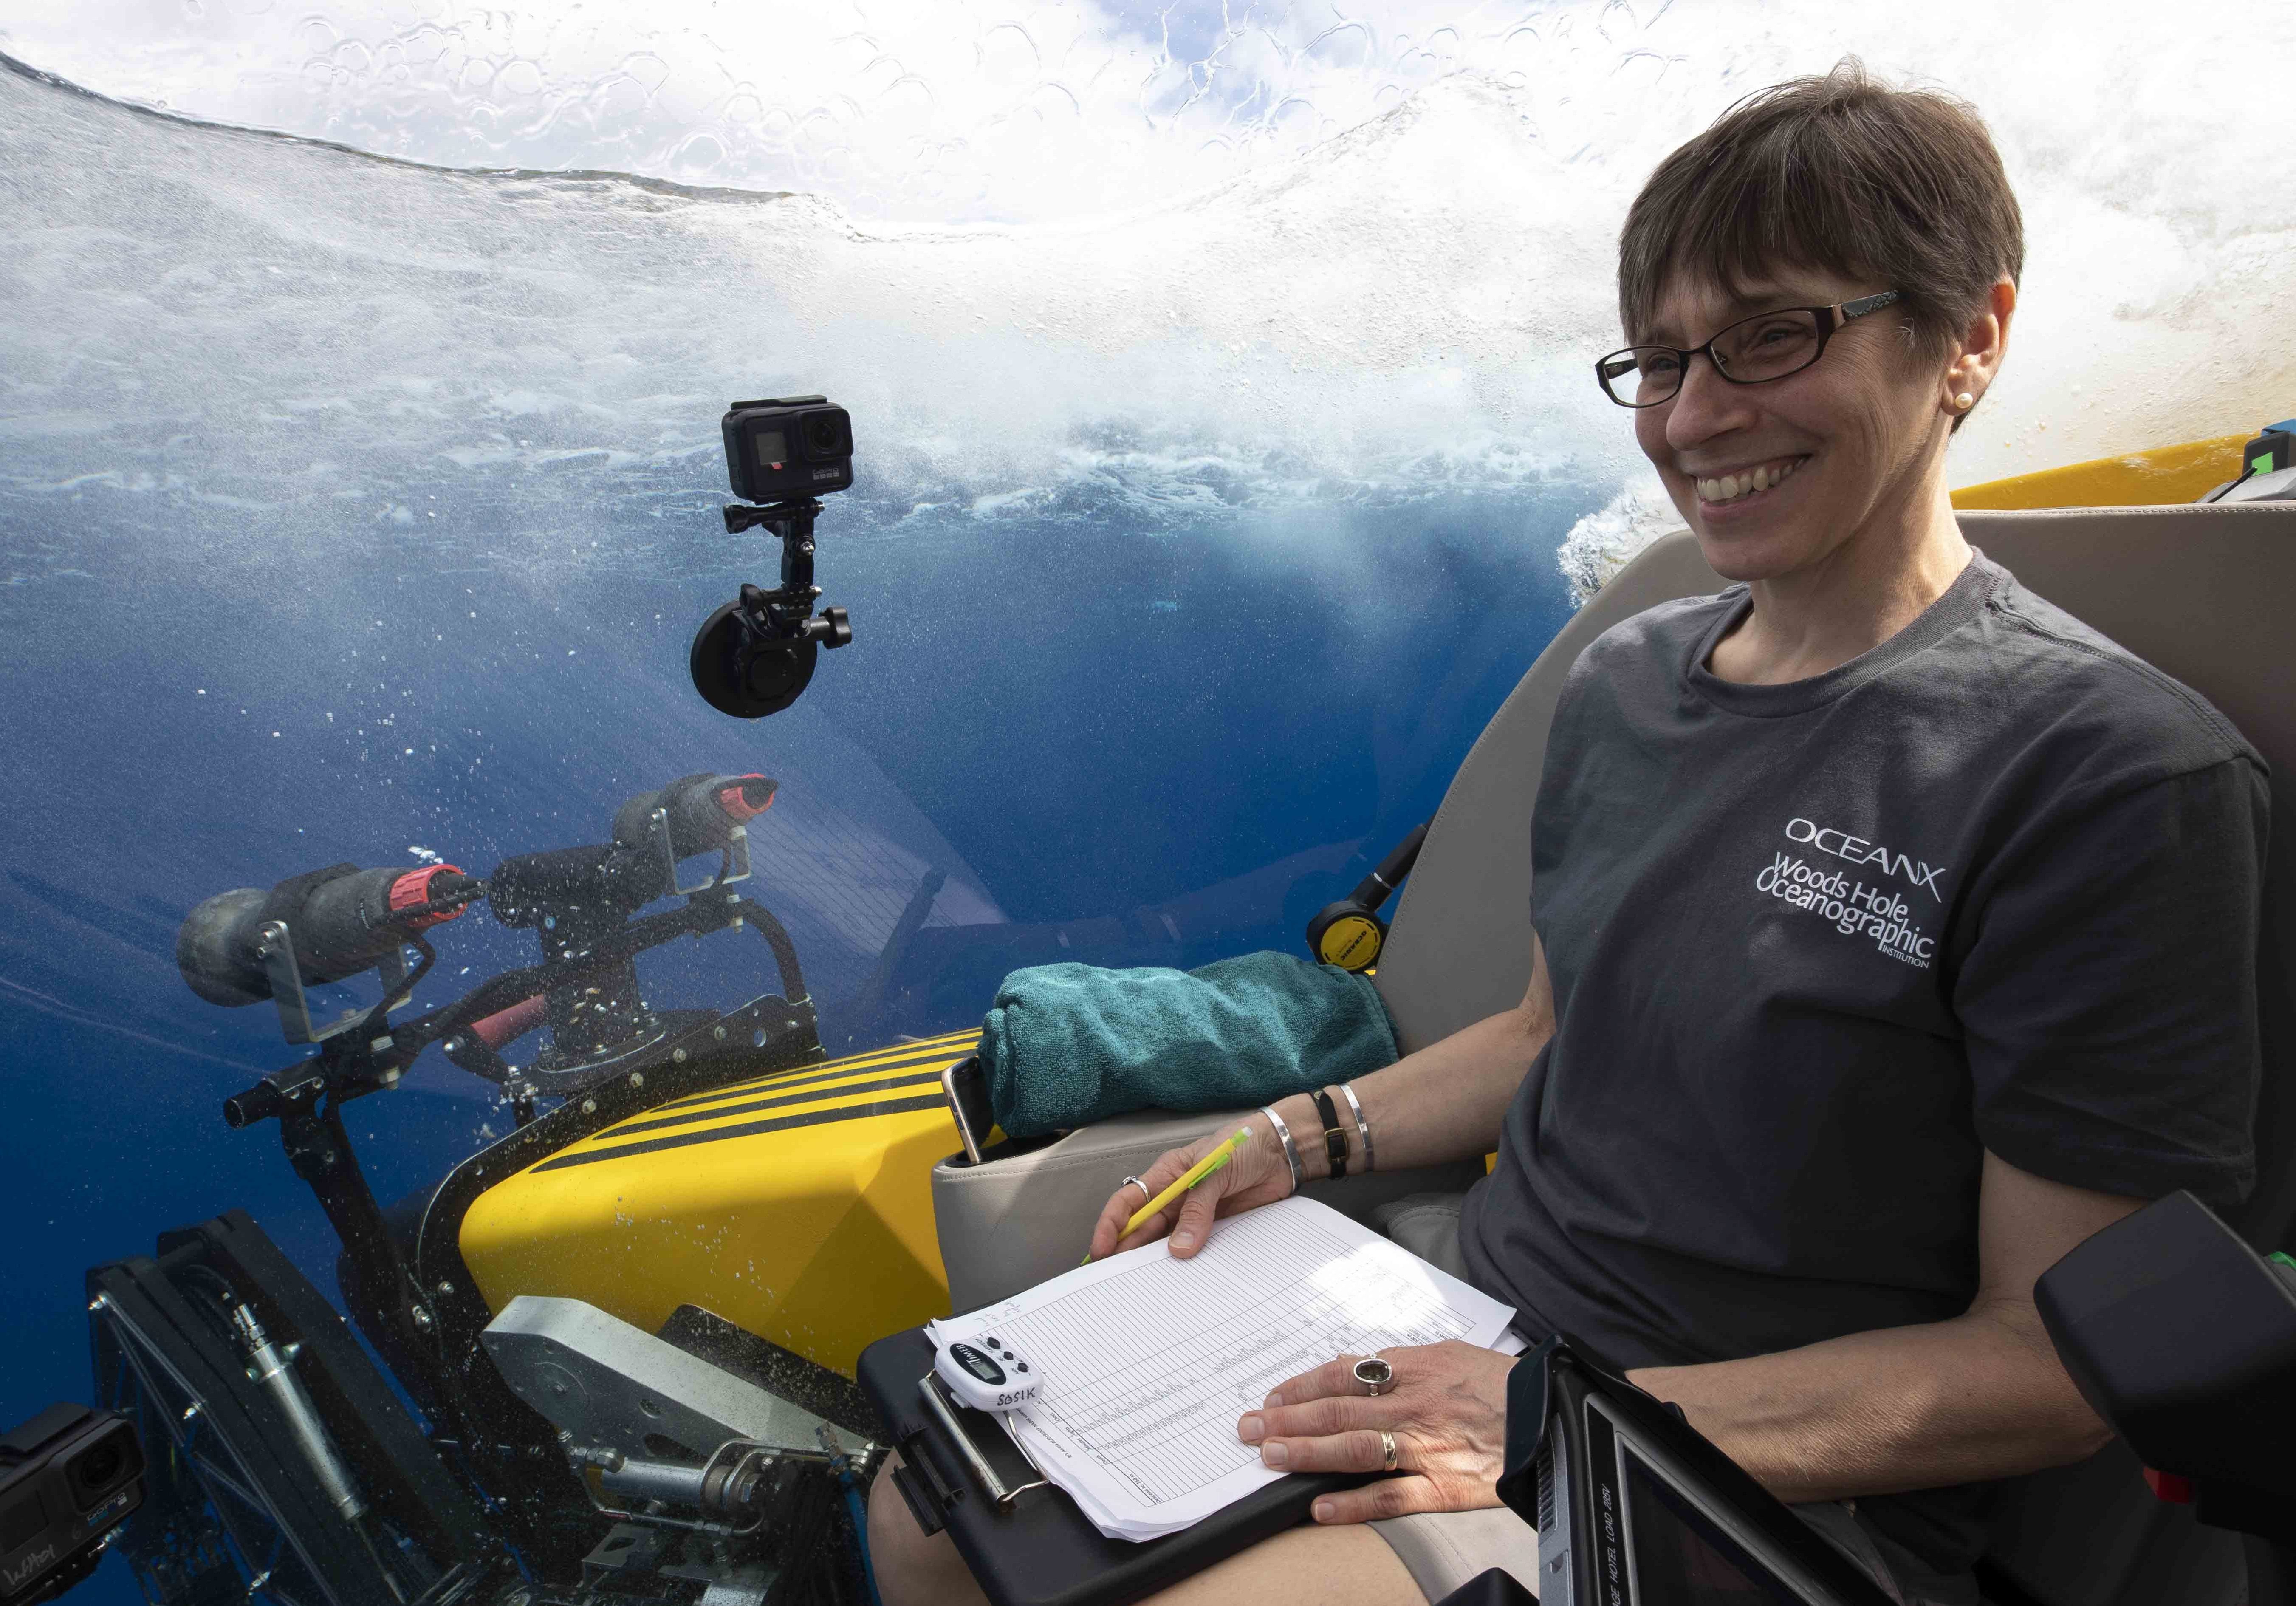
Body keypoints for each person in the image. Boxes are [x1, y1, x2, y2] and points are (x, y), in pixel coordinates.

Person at [867, 61, 2269, 1606]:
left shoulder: (2109, 772)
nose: (1693, 413)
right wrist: (1290, 1134)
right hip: (1460, 1316)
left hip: (1732, 1485)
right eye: (1662, 360)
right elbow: (1547, 1030)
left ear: (1973, 339)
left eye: (1771, 335)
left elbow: (2051, 1361)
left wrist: (1541, 1413)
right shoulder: (1624, 679)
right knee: (931, 1505)